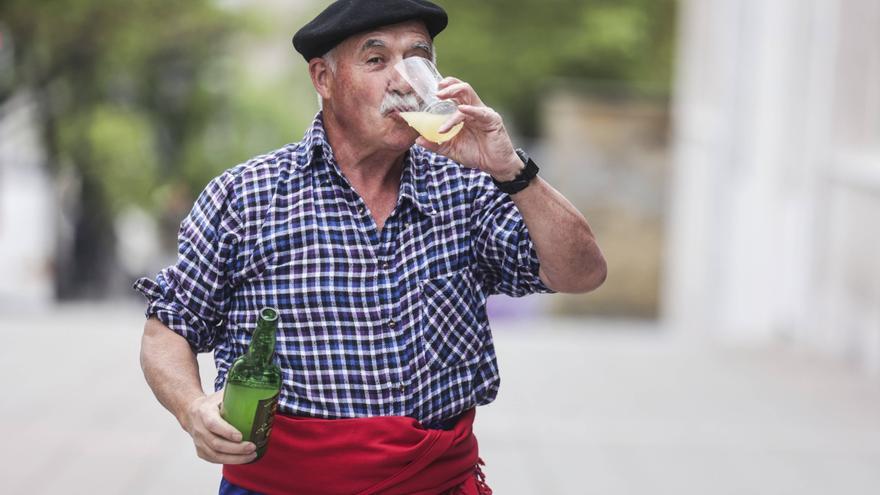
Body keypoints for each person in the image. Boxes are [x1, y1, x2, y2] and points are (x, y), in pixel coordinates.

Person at [134, 0, 606, 493]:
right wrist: (192, 408)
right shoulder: (245, 197)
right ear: (323, 79)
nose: (404, 80)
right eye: (377, 60)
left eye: (418, 58)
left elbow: (582, 273)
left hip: (436, 483)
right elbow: (167, 327)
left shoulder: (466, 190)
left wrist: (511, 169)